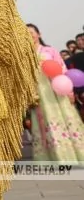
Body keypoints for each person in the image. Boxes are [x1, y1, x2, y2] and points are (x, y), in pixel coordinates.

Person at [26, 24, 84, 163]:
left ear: (39, 34)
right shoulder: (24, 55)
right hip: (39, 92)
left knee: (64, 118)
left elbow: (62, 68)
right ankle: (51, 158)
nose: (30, 35)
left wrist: (69, 90)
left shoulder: (49, 50)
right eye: (26, 33)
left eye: (32, 32)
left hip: (56, 89)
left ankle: (72, 154)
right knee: (43, 121)